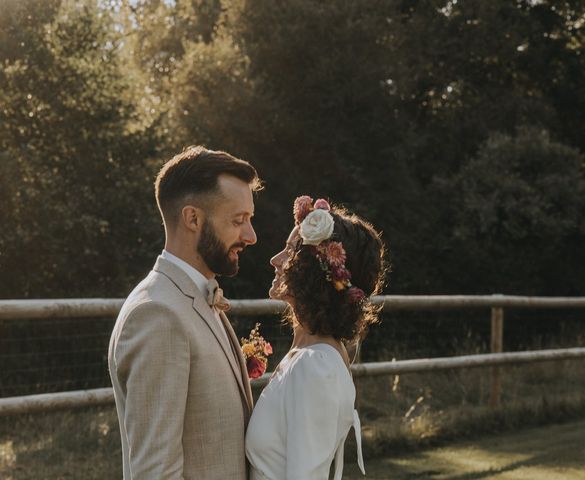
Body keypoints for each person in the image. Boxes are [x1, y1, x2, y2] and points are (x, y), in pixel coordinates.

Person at [108, 146, 262, 480]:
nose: (250, 236)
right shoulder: (158, 313)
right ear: (192, 218)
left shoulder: (196, 297)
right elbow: (155, 471)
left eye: (249, 220)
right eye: (238, 221)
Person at [245, 196, 386, 480]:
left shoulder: (316, 367)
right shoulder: (304, 355)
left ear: (312, 269)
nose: (275, 260)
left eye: (289, 251)